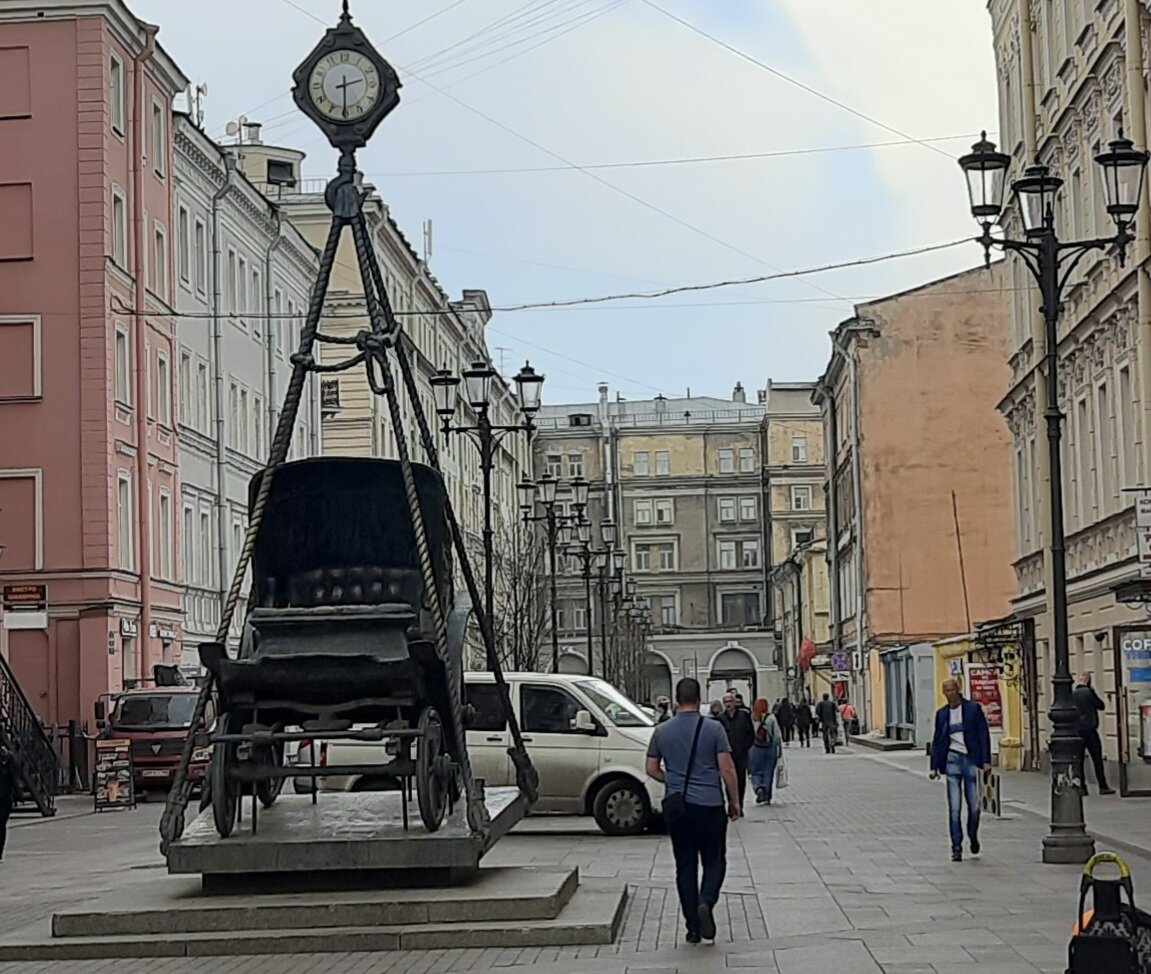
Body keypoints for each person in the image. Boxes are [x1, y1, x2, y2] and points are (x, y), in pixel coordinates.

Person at [647, 678, 742, 944]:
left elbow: (651, 768)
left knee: (685, 866)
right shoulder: (714, 729)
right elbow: (727, 768)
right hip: (710, 805)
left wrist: (673, 781)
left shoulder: (662, 731)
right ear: (699, 700)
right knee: (714, 861)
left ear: (677, 701)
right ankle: (706, 902)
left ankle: (692, 927)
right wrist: (734, 801)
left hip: (678, 807)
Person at [929, 678, 992, 862]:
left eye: (952, 690)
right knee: (954, 808)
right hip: (952, 761)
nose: (949, 694)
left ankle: (972, 835)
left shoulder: (973, 709)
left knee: (974, 807)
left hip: (971, 760)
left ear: (958, 690)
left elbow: (983, 734)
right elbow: (938, 740)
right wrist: (934, 766)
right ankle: (956, 847)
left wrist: (986, 761)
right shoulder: (942, 714)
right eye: (946, 690)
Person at [1072, 673, 1115, 796]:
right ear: (1088, 681)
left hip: (1077, 730)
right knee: (1097, 758)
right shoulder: (1089, 692)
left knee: (1079, 761)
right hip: (1090, 729)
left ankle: (1082, 787)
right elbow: (1101, 706)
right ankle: (1102, 786)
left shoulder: (1073, 694)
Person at [717, 692, 754, 807]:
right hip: (727, 755)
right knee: (728, 779)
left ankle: (740, 804)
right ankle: (731, 804)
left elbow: (751, 733)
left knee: (741, 780)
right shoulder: (721, 718)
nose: (728, 704)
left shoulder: (744, 716)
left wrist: (746, 746)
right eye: (726, 702)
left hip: (741, 754)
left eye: (730, 702)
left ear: (734, 703)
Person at [749, 698, 782, 804]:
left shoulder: (752, 718)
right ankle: (767, 797)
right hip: (770, 747)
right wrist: (779, 749)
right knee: (768, 772)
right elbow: (777, 736)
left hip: (755, 747)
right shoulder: (771, 718)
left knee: (755, 771)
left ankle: (758, 787)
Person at [0, 744, 18, 861]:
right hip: (5, 795)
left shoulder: (7, 758)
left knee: (1, 825)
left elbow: (15, 776)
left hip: (4, 797)